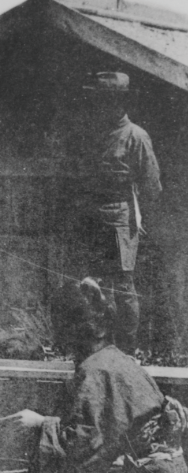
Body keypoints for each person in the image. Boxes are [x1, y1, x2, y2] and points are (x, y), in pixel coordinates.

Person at [12, 278, 187, 473]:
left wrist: (40, 423)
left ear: (70, 331)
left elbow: (84, 443)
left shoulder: (94, 370)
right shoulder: (118, 358)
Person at [67, 72, 161, 353]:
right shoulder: (92, 135)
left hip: (120, 217)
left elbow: (152, 186)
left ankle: (126, 351)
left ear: (121, 102)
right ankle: (96, 348)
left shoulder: (136, 136)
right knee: (91, 283)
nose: (102, 105)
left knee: (123, 285)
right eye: (98, 100)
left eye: (108, 99)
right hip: (91, 216)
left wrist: (142, 219)